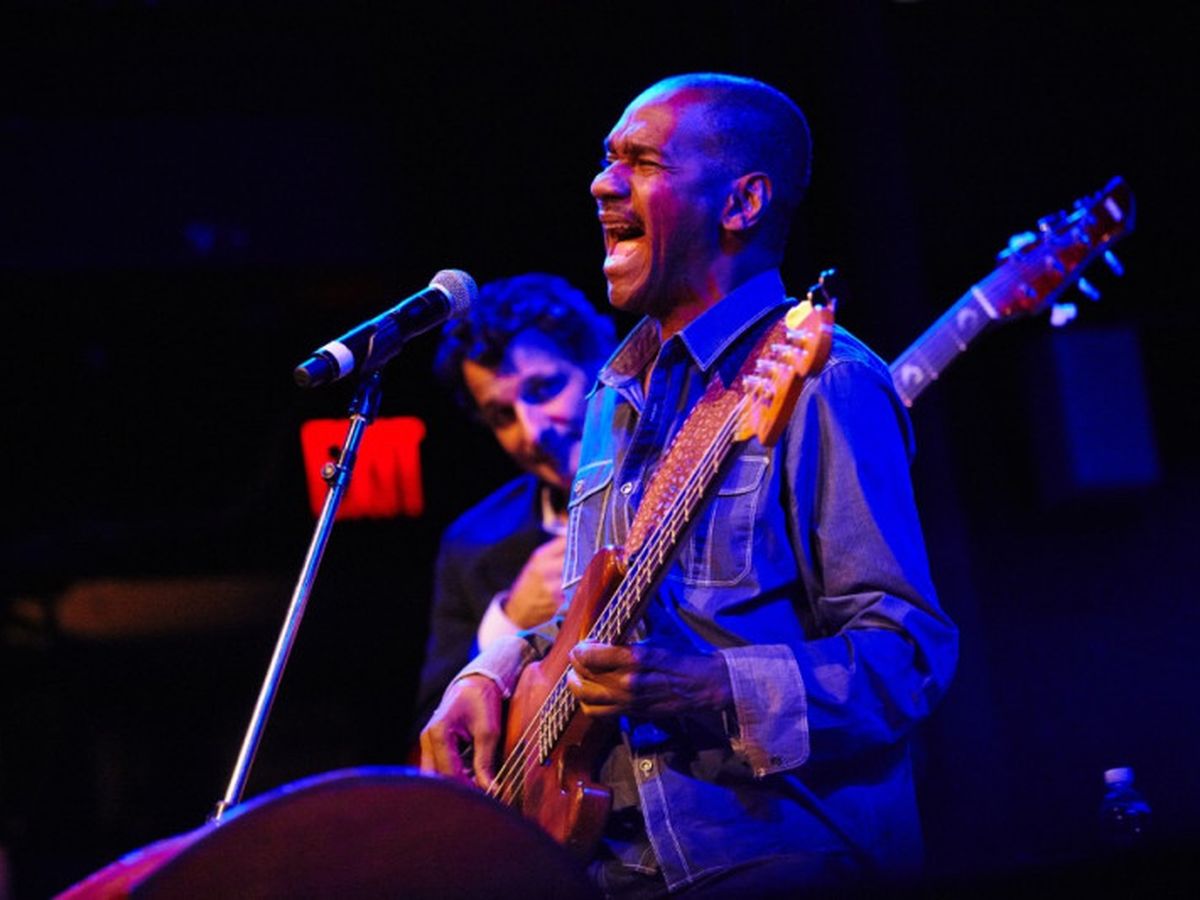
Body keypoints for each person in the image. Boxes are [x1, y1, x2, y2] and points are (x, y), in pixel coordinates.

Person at [420, 73, 958, 897]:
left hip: (774, 864)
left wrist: (708, 686)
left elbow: (908, 657)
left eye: (640, 162)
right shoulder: (611, 401)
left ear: (741, 202)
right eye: (607, 159)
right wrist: (492, 668)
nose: (601, 184)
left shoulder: (826, 381)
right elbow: (593, 620)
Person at [412, 273, 617, 731]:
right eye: (502, 415)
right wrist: (507, 624)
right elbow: (433, 737)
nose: (533, 432)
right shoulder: (471, 544)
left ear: (601, 363)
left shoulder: (684, 472)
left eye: (544, 389)